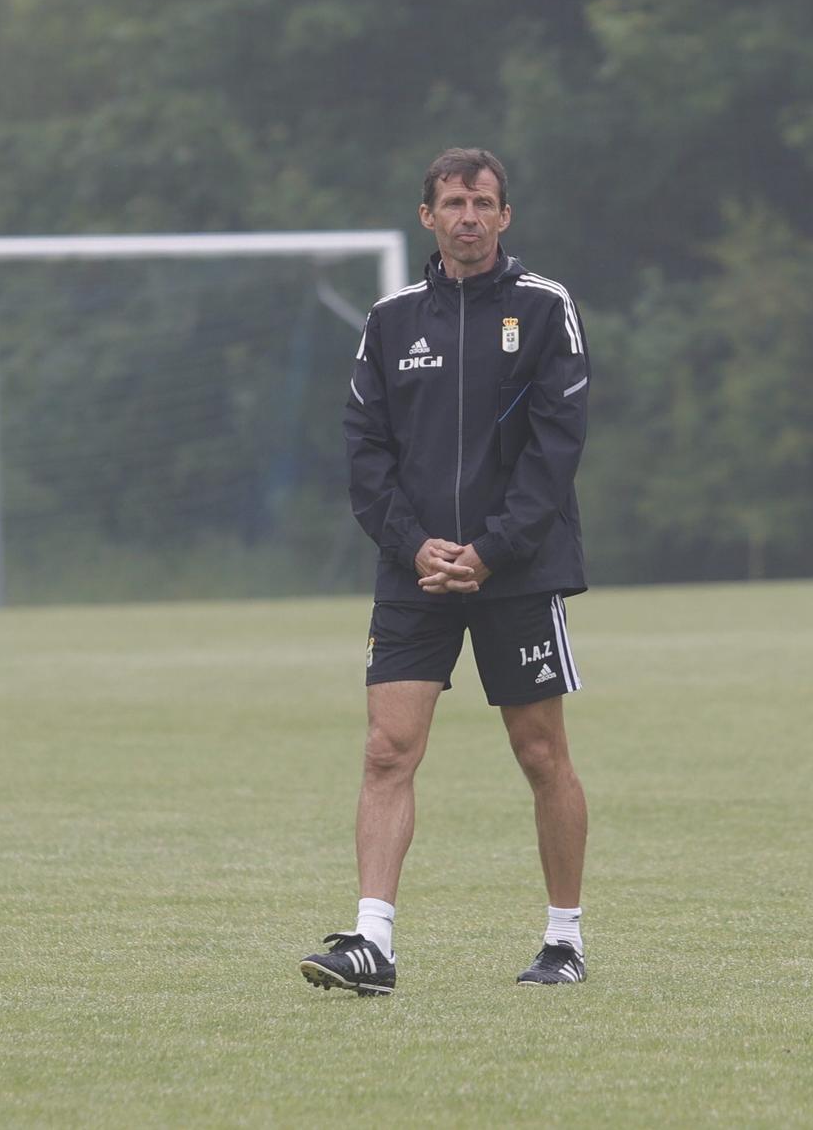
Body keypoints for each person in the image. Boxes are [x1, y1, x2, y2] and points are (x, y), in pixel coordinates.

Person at [300, 147, 592, 994]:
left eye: (485, 201)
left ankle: (564, 939)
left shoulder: (545, 310)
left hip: (518, 570)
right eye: (454, 202)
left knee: (540, 753)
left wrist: (490, 548)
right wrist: (414, 543)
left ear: (506, 216)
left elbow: (556, 448)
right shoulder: (391, 319)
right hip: (414, 572)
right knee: (388, 749)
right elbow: (364, 450)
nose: (469, 215)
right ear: (427, 216)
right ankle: (372, 942)